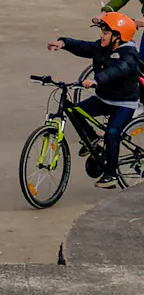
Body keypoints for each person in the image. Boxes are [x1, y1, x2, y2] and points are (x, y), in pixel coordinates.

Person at [47, 13, 141, 186]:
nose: (101, 36)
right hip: (104, 98)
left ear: (117, 36)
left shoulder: (129, 55)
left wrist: (97, 80)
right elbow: (84, 47)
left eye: (105, 33)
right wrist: (64, 43)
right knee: (74, 111)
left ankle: (111, 175)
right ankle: (92, 141)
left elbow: (118, 70)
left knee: (112, 133)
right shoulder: (102, 47)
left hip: (124, 103)